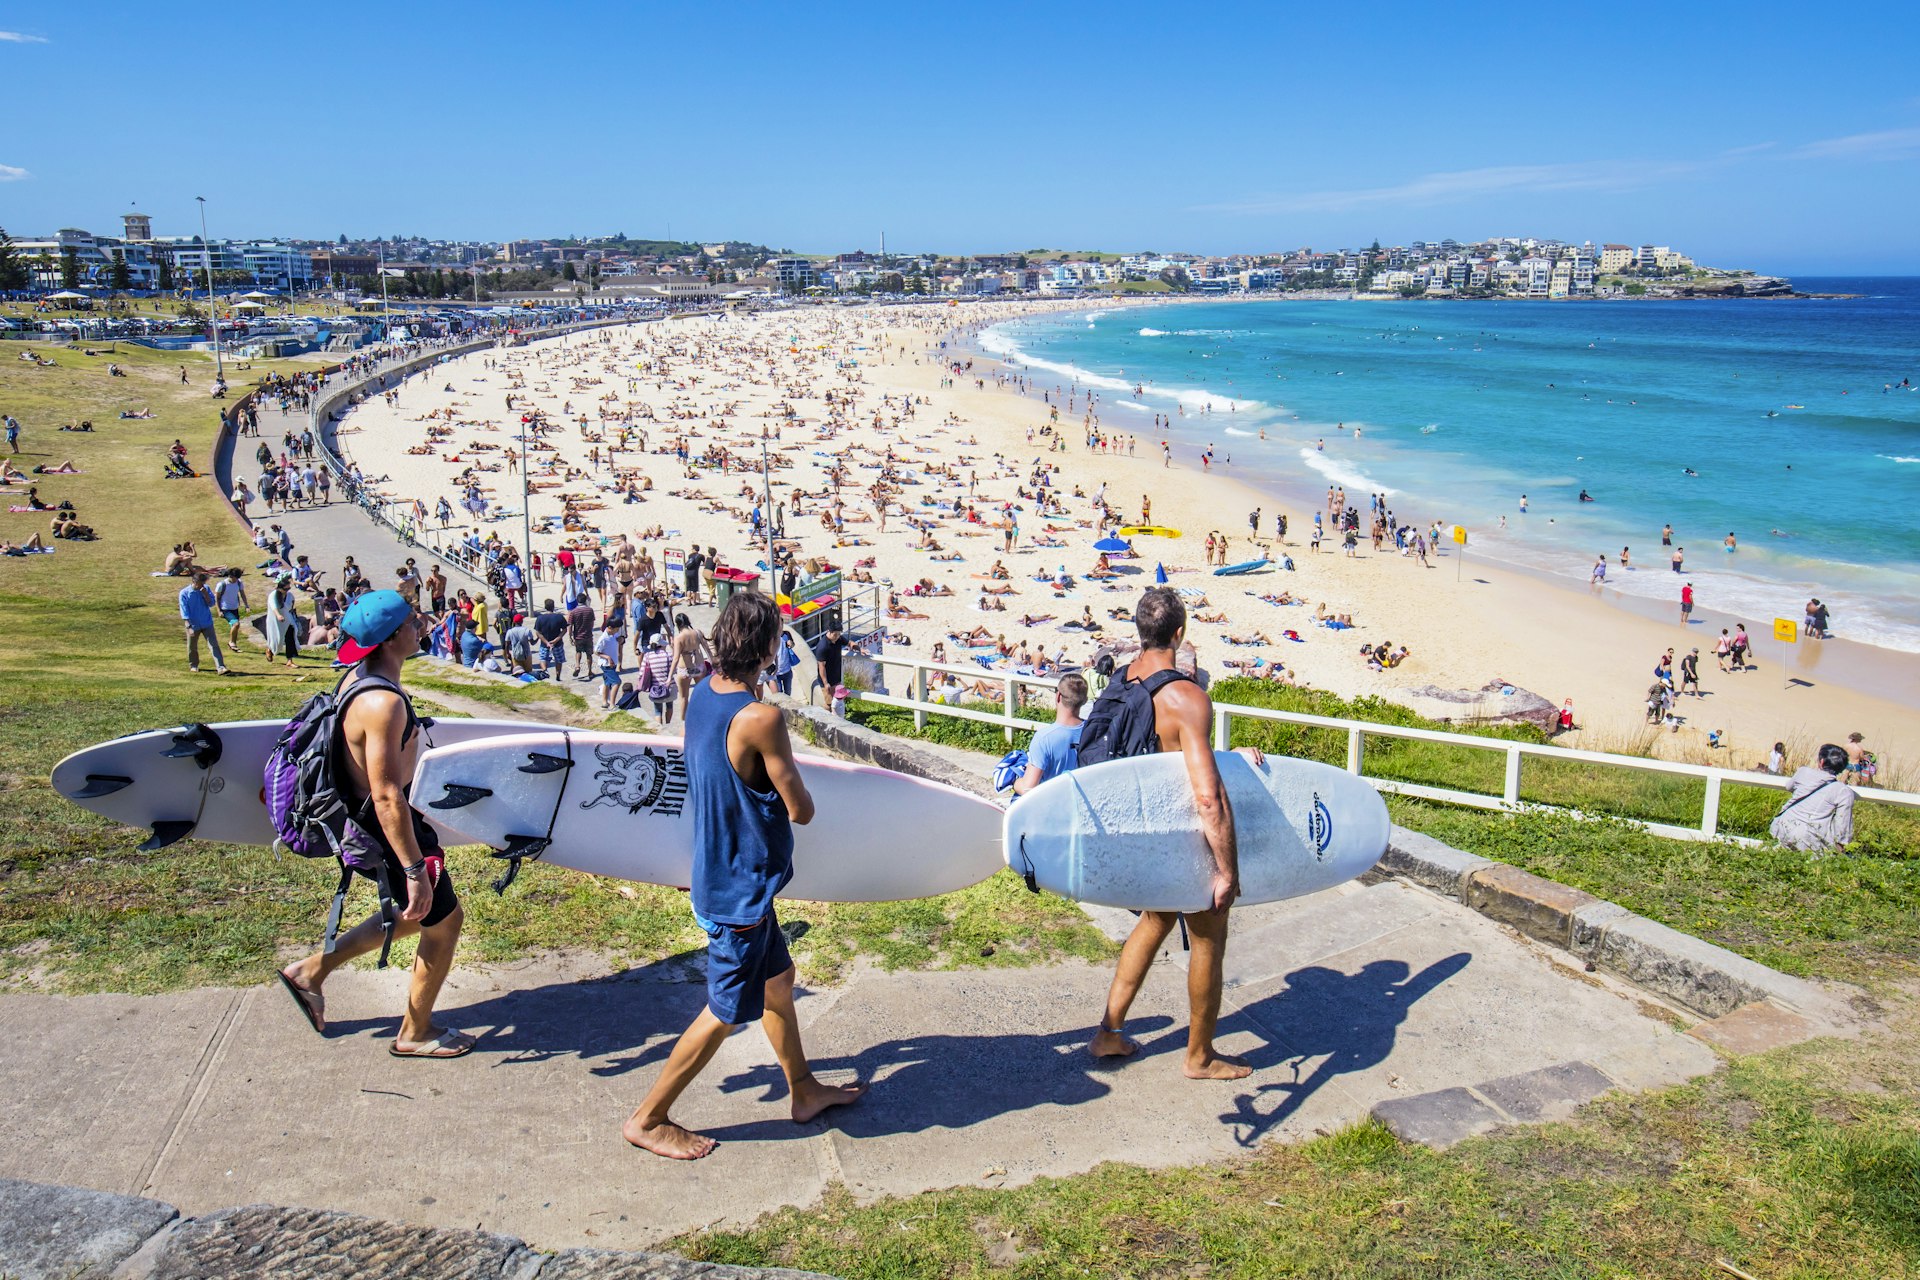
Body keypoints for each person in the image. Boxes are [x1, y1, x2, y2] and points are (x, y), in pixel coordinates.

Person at [623, 591, 863, 1158]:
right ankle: (649, 1118)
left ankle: (802, 1089)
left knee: (779, 983)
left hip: (719, 869)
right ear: (769, 646)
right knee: (725, 1011)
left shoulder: (703, 694)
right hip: (740, 890)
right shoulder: (761, 718)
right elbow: (800, 808)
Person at [276, 591, 473, 1057]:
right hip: (387, 830)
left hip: (381, 823)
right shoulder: (382, 704)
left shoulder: (359, 678)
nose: (419, 624)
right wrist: (412, 868)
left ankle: (310, 972)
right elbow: (385, 793)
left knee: (414, 916)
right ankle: (415, 1032)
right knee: (443, 924)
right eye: (411, 621)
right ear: (391, 639)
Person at [1090, 586, 1261, 1081]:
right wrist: (1227, 869)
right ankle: (1199, 1056)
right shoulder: (1186, 697)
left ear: (1140, 632)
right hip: (1181, 838)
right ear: (1180, 634)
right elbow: (1207, 796)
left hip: (1137, 832)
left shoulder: (1121, 682)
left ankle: (1108, 1033)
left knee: (1155, 919)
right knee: (1209, 935)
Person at [1769, 743, 1856, 855]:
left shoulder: (1803, 771)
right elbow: (1842, 822)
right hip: (1807, 836)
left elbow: (1789, 786)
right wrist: (1841, 847)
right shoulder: (1843, 791)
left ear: (1822, 761)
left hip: (1781, 826)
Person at [1011, 674, 1088, 796]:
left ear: (1058, 696)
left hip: (1054, 806)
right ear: (1085, 700)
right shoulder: (1093, 731)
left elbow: (1028, 789)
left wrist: (1014, 782)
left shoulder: (1044, 738)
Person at [178, 570, 232, 675]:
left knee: (214, 645)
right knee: (192, 646)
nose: (202, 585)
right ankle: (193, 665)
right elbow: (184, 610)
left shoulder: (205, 589)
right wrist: (188, 626)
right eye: (200, 583)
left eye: (203, 583)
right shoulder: (184, 593)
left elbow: (211, 603)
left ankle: (221, 667)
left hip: (206, 622)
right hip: (193, 624)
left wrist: (205, 594)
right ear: (194, 581)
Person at [639, 634, 676, 721]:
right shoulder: (669, 655)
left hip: (655, 689)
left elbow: (641, 673)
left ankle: (660, 729)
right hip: (669, 687)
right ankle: (668, 724)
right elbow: (674, 671)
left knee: (658, 711)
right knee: (669, 706)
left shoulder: (647, 656)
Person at [810, 623, 847, 708]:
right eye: (835, 635)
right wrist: (826, 683)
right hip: (828, 681)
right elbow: (821, 666)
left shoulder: (838, 639)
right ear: (829, 632)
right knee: (829, 704)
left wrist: (859, 649)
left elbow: (849, 643)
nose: (837, 637)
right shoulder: (822, 646)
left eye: (839, 634)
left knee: (838, 702)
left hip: (836, 679)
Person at [215, 567, 250, 653]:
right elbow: (217, 598)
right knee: (236, 624)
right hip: (225, 609)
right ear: (230, 576)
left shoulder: (239, 583)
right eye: (235, 578)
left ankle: (233, 644)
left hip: (235, 608)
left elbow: (242, 594)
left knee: (235, 626)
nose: (236, 580)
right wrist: (219, 611)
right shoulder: (222, 584)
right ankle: (232, 643)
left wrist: (246, 605)